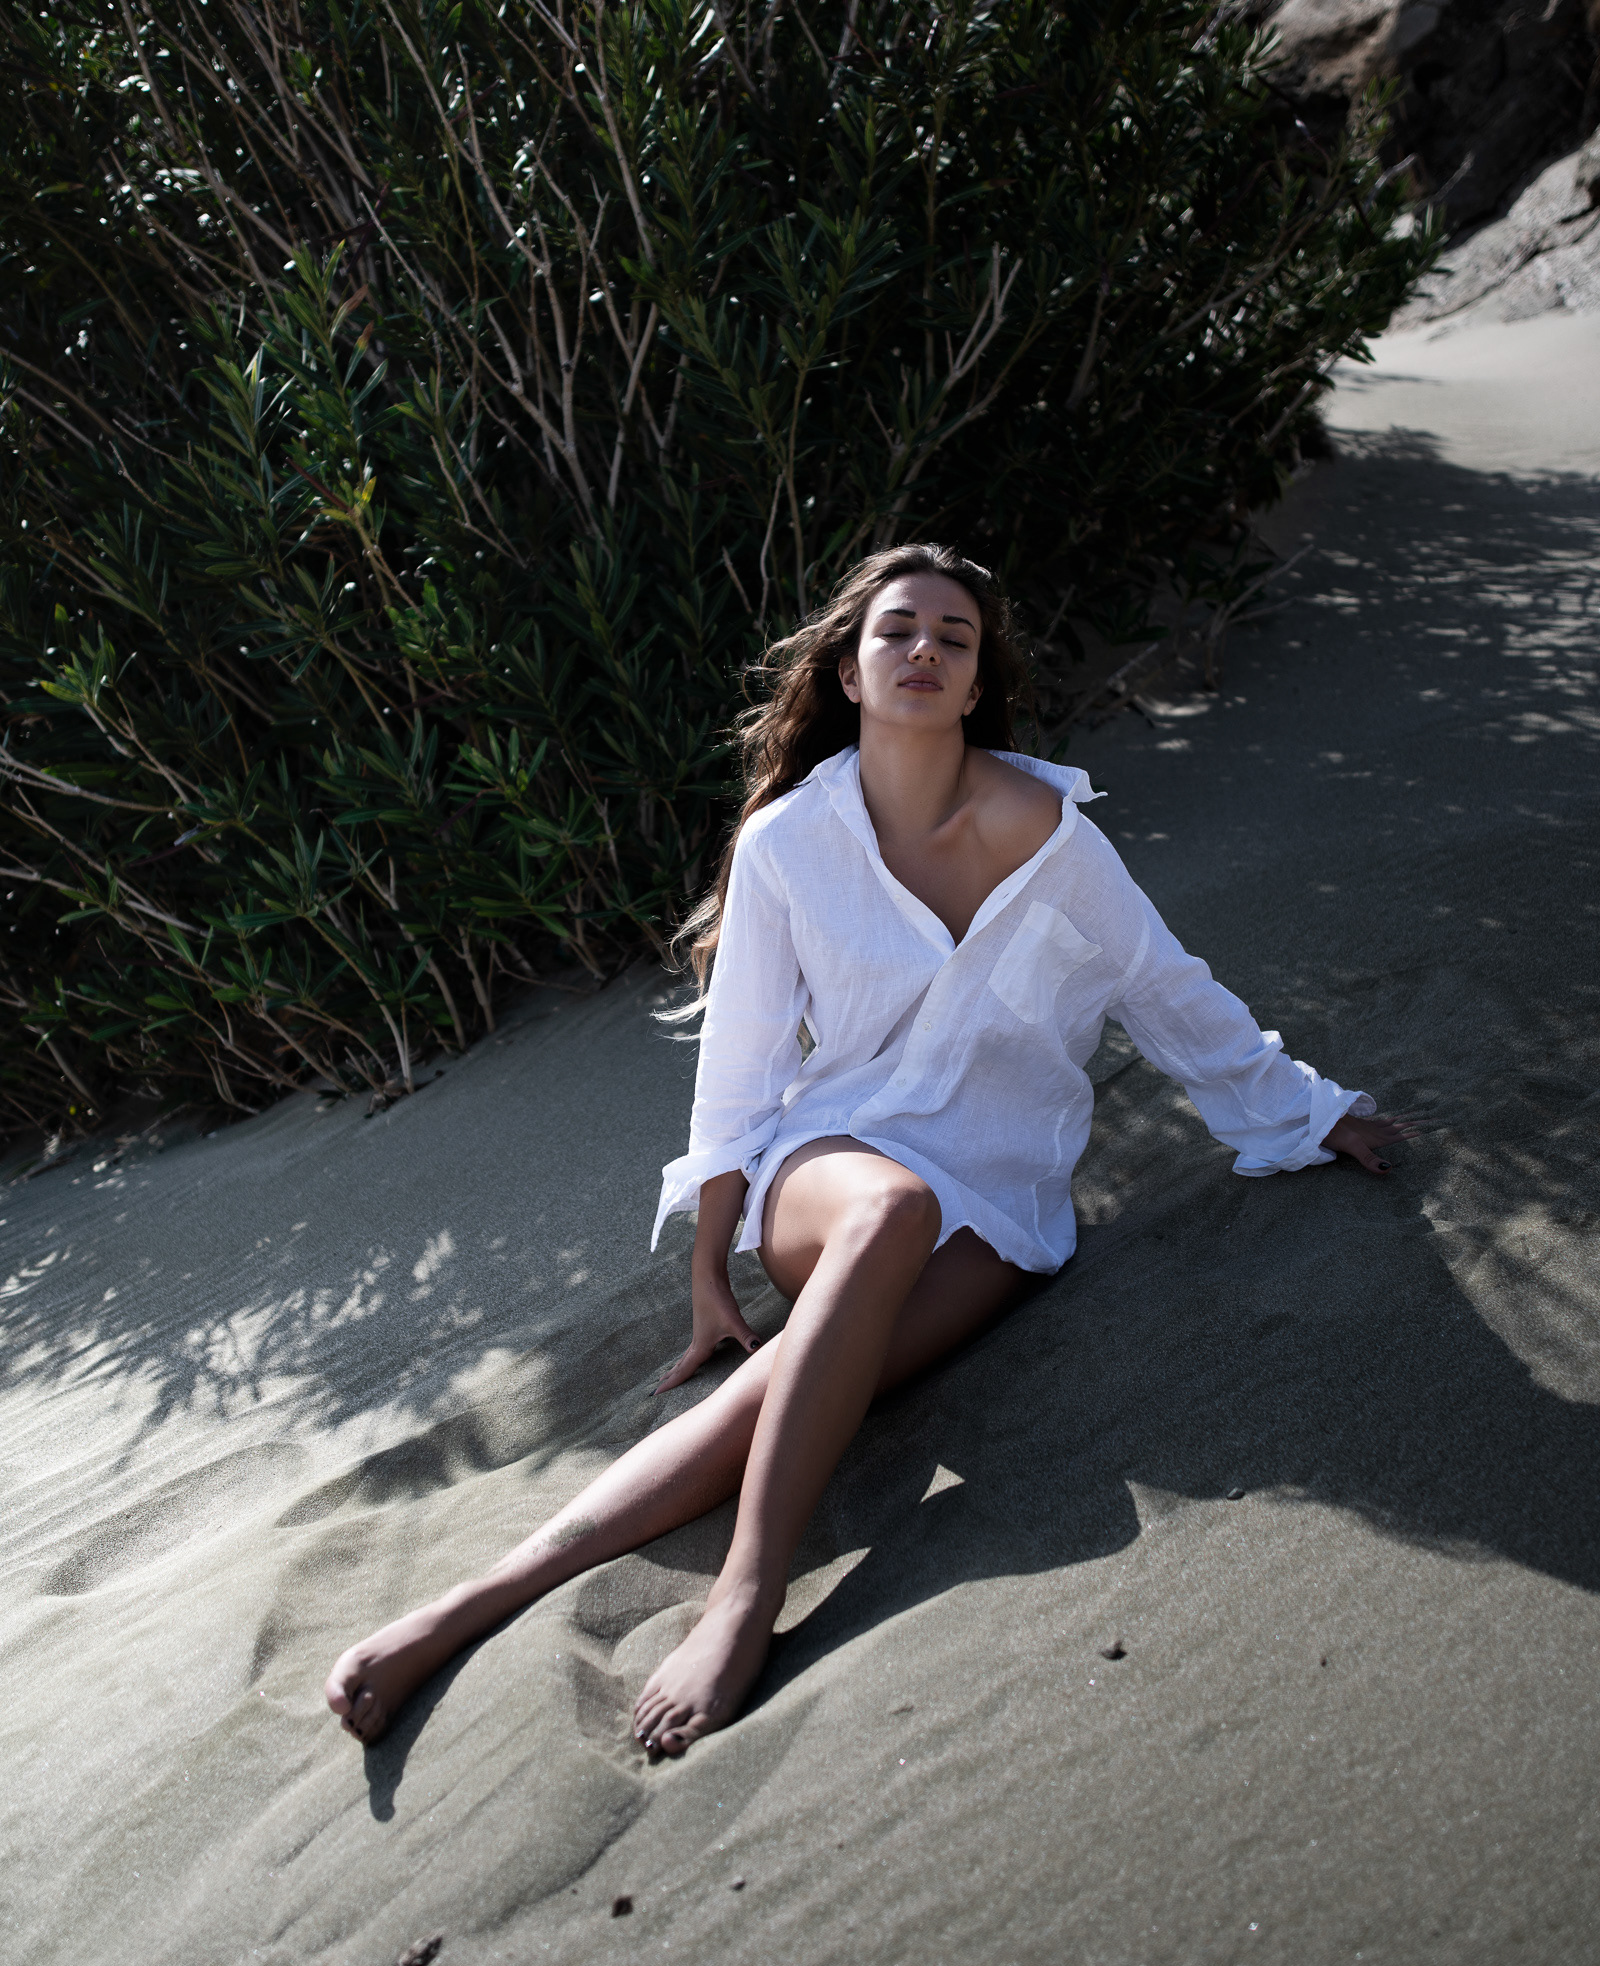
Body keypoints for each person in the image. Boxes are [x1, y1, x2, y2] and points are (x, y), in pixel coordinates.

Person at [325, 544, 1419, 1756]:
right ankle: (749, 1590)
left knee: (781, 1388)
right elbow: (737, 1073)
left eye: (953, 638)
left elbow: (1167, 990)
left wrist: (1307, 1113)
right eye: (897, 630)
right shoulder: (791, 842)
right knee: (884, 1213)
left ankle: (467, 1600)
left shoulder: (1051, 835)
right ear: (848, 672)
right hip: (832, 1165)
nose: (924, 651)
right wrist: (704, 1274)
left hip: (1002, 1201)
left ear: (973, 683)